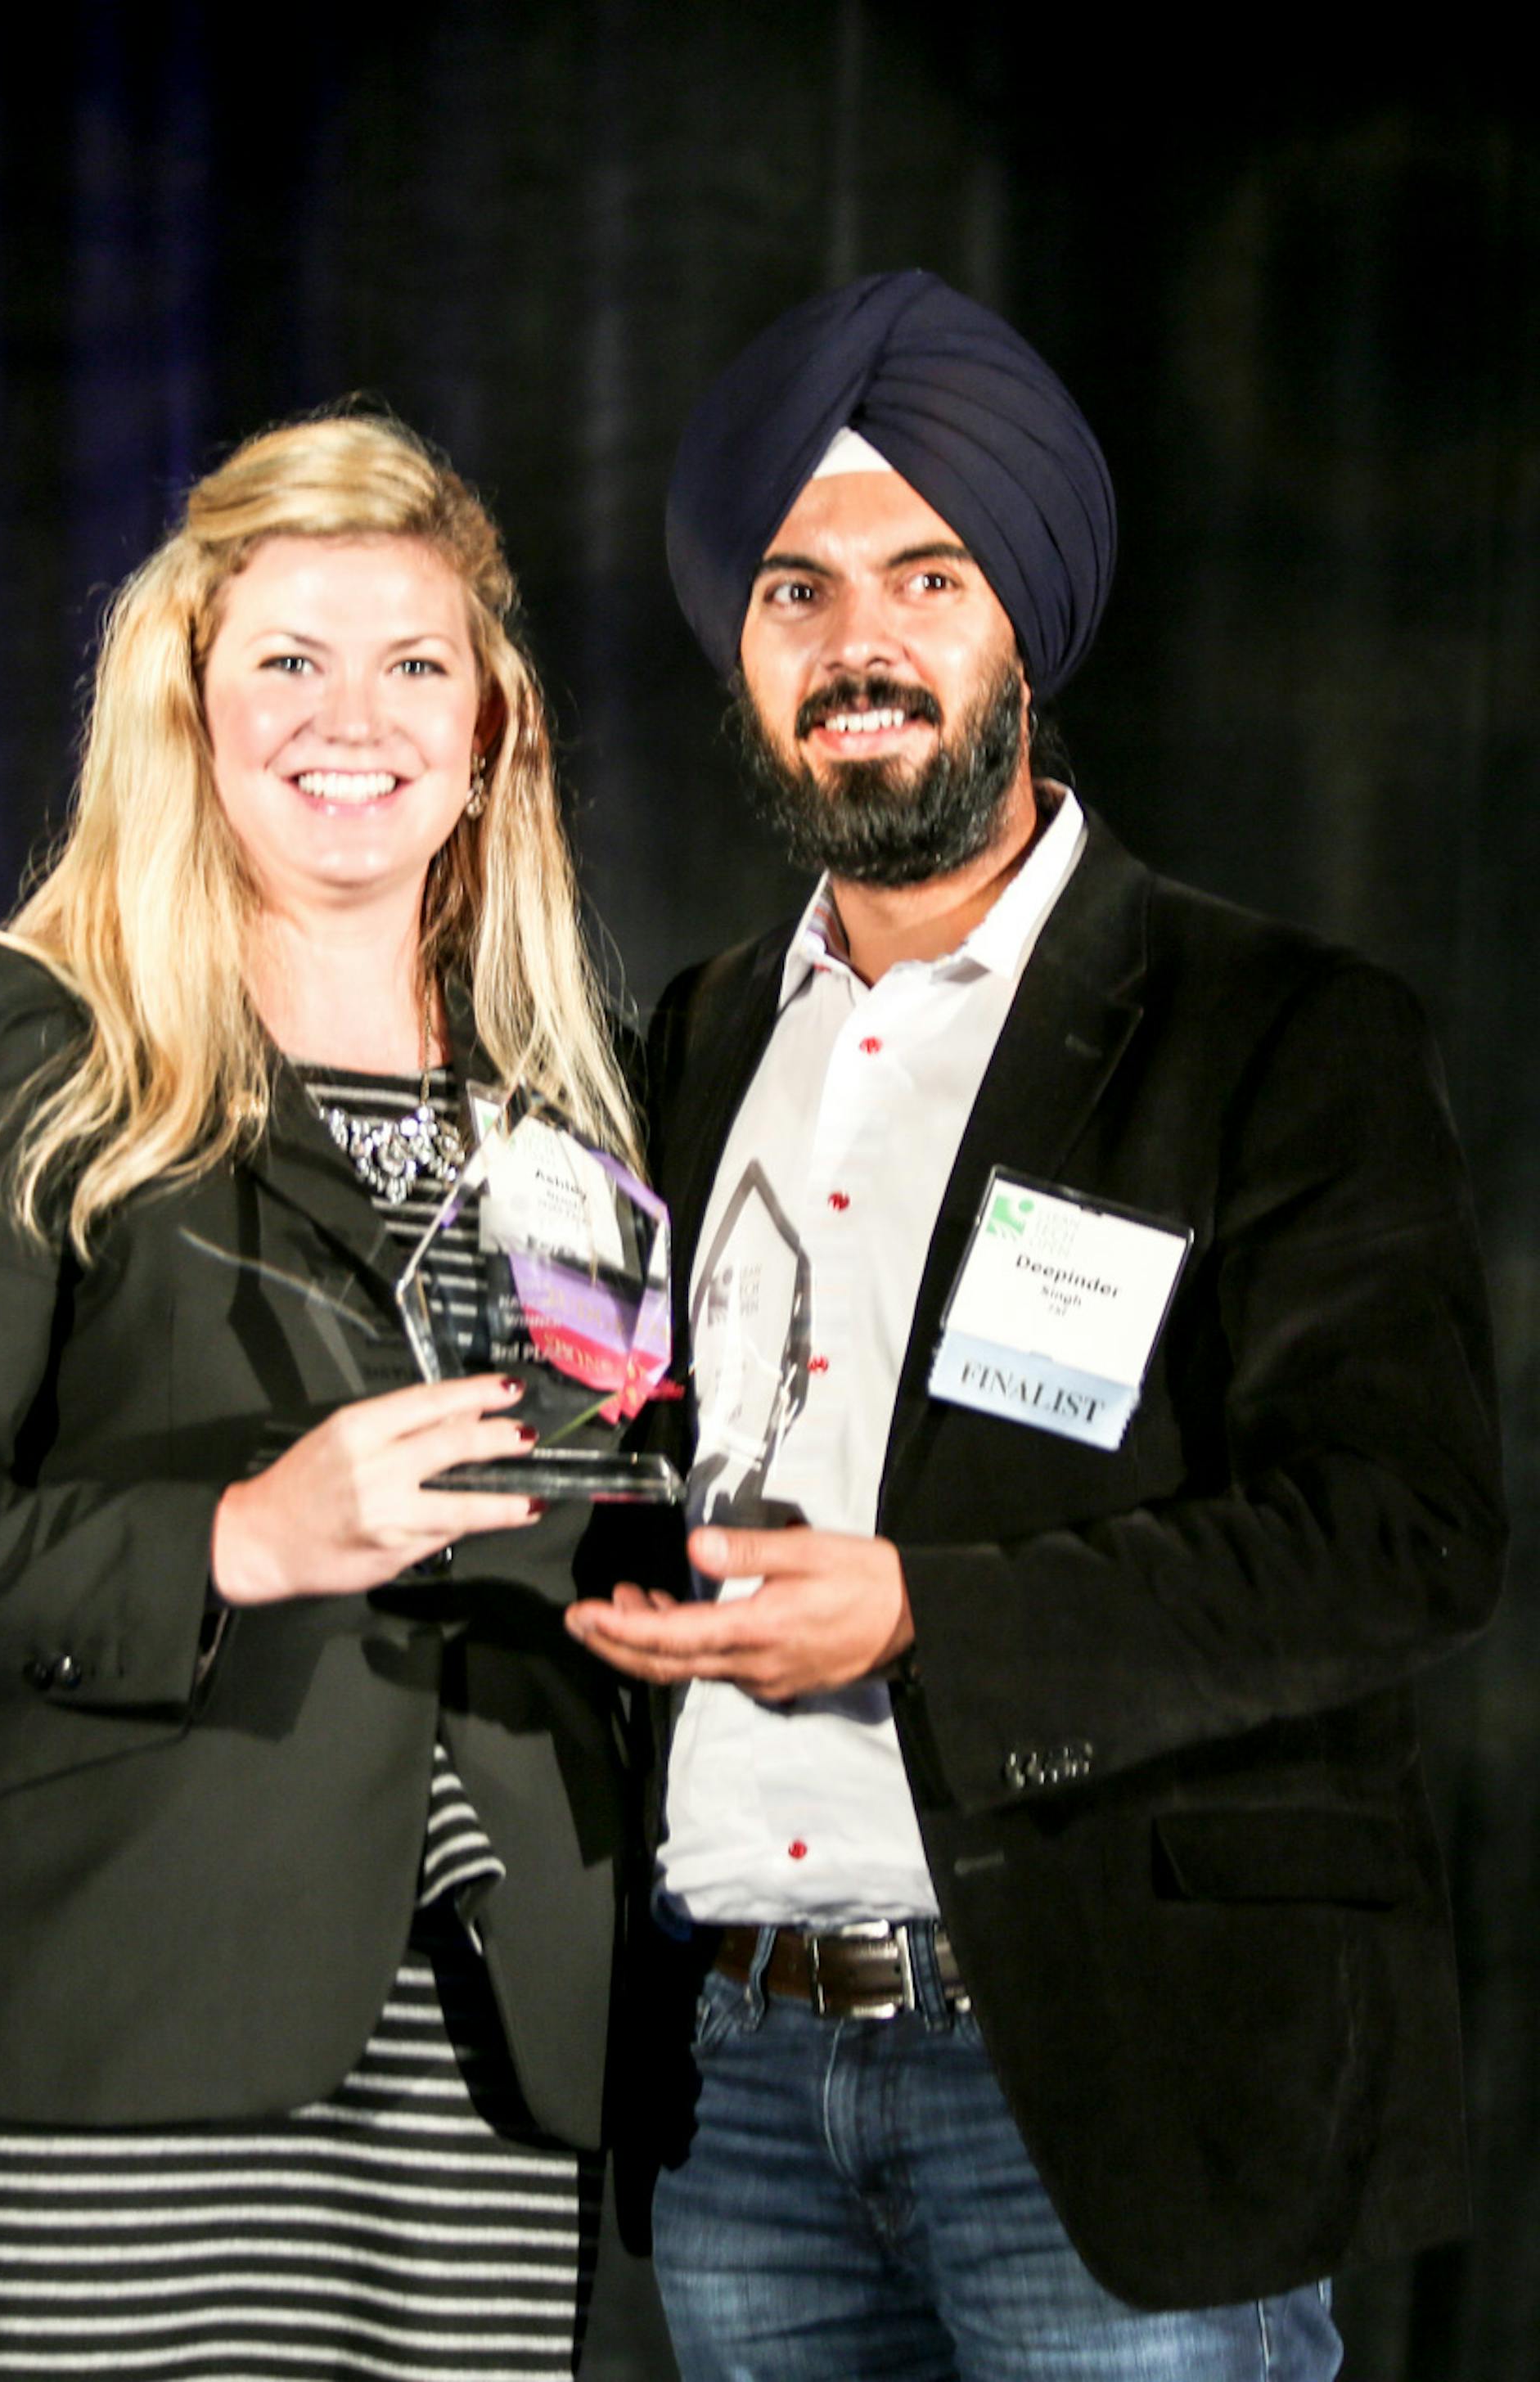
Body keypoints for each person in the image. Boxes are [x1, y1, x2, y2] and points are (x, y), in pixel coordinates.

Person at [566, 270, 1506, 2381]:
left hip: (1105, 2086)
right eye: (796, 590)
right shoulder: (694, 1042)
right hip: (737, 2093)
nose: (856, 644)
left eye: (926, 572)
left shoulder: (1282, 1032)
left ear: (1026, 623)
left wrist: (923, 1619)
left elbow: (1404, 1536)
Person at [0, 411, 651, 2381]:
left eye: (416, 662)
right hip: (98, 2030)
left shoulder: (573, 1114)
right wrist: (238, 1538)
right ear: (188, 704)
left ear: (493, 723)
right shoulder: (24, 1036)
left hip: (491, 2069)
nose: (358, 718)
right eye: (291, 662)